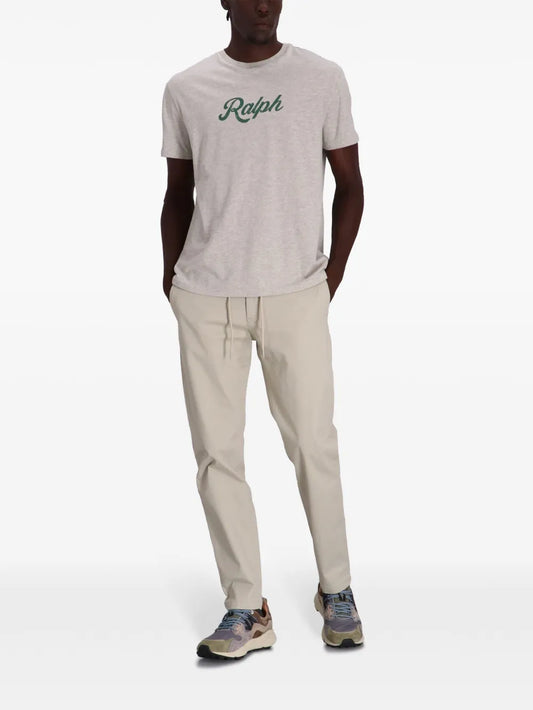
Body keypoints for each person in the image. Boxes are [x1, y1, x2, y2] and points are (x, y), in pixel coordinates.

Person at [160, 0, 365, 660]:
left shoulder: (321, 78)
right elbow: (177, 192)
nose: (261, 4)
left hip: (295, 292)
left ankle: (336, 589)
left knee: (313, 443)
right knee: (217, 455)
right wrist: (172, 279)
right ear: (223, 2)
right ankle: (246, 609)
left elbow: (351, 183)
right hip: (206, 295)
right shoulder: (187, 88)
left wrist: (330, 276)